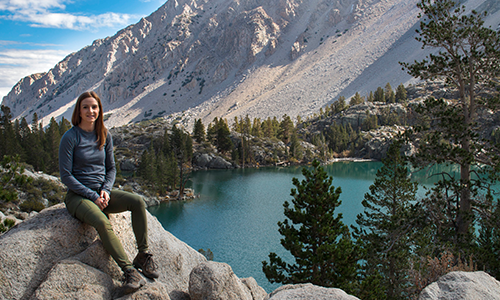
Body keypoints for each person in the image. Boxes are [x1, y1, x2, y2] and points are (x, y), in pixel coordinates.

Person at [59, 91, 159, 293]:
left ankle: (143, 255)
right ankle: (129, 271)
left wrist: (104, 190)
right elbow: (66, 176)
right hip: (78, 197)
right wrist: (92, 195)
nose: (90, 111)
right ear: (78, 110)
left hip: (101, 192)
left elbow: (111, 169)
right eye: (85, 107)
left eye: (94, 107)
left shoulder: (104, 134)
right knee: (103, 221)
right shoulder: (70, 137)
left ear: (100, 110)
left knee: (138, 202)